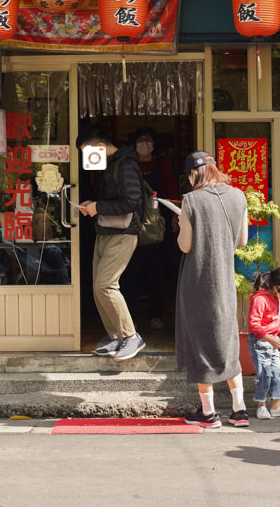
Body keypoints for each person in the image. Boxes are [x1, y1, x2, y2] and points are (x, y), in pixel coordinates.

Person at [175, 151, 250, 428]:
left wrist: (182, 223)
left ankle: (208, 413)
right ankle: (240, 410)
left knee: (200, 344)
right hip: (225, 281)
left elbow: (185, 245)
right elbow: (242, 241)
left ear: (194, 173)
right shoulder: (239, 196)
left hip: (197, 281)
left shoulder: (191, 200)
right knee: (227, 340)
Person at [76, 124, 146, 362]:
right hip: (106, 230)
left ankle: (131, 336)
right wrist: (94, 205)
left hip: (123, 232)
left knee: (106, 285)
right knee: (98, 288)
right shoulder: (111, 164)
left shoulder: (125, 164)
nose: (85, 159)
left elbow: (132, 202)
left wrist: (98, 207)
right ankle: (117, 337)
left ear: (100, 147)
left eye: (86, 153)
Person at [125, 128, 181, 330]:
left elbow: (172, 191)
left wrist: (176, 214)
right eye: (140, 141)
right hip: (130, 224)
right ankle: (130, 316)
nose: (144, 145)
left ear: (154, 145)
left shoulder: (162, 164)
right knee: (130, 272)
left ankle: (155, 314)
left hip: (158, 226)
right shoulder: (129, 164)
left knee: (158, 271)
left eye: (148, 141)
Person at [247, 266, 280, 420]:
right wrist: (268, 337)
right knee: (264, 374)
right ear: (277, 287)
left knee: (277, 373)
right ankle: (261, 405)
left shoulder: (276, 298)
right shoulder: (260, 299)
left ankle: (276, 405)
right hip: (260, 342)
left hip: (272, 341)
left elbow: (274, 321)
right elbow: (253, 325)